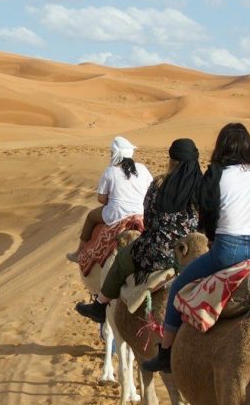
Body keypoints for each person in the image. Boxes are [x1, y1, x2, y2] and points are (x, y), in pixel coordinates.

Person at [143, 123, 250, 373]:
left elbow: (208, 214)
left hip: (227, 251)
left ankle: (165, 353)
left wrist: (212, 238)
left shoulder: (216, 174)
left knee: (177, 287)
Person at [76, 138, 202, 325]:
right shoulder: (205, 188)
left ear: (171, 161)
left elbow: (148, 218)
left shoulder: (159, 185)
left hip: (160, 252)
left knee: (121, 260)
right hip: (193, 253)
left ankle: (100, 305)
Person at [66, 136, 153, 261]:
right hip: (140, 212)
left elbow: (101, 199)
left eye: (112, 152)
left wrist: (112, 201)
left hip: (116, 214)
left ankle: (79, 252)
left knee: (90, 216)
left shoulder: (110, 171)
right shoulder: (142, 168)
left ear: (115, 154)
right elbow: (151, 189)